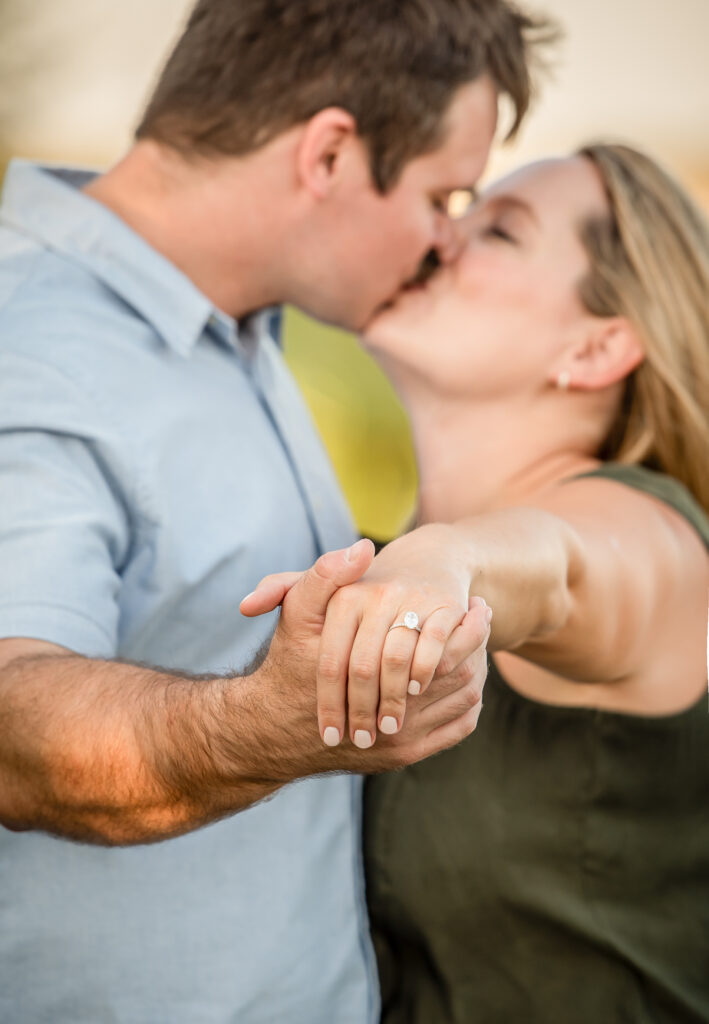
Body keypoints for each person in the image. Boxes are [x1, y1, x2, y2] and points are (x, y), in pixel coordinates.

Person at [0, 1, 554, 1021]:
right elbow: (10, 718)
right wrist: (272, 724)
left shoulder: (234, 321)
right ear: (331, 152)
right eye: (445, 194)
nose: (444, 242)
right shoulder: (32, 346)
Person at [249, 142, 709, 1021]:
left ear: (599, 344)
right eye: (454, 206)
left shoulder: (654, 537)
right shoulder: (375, 556)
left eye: (498, 230)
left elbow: (566, 567)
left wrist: (445, 562)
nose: (440, 234)